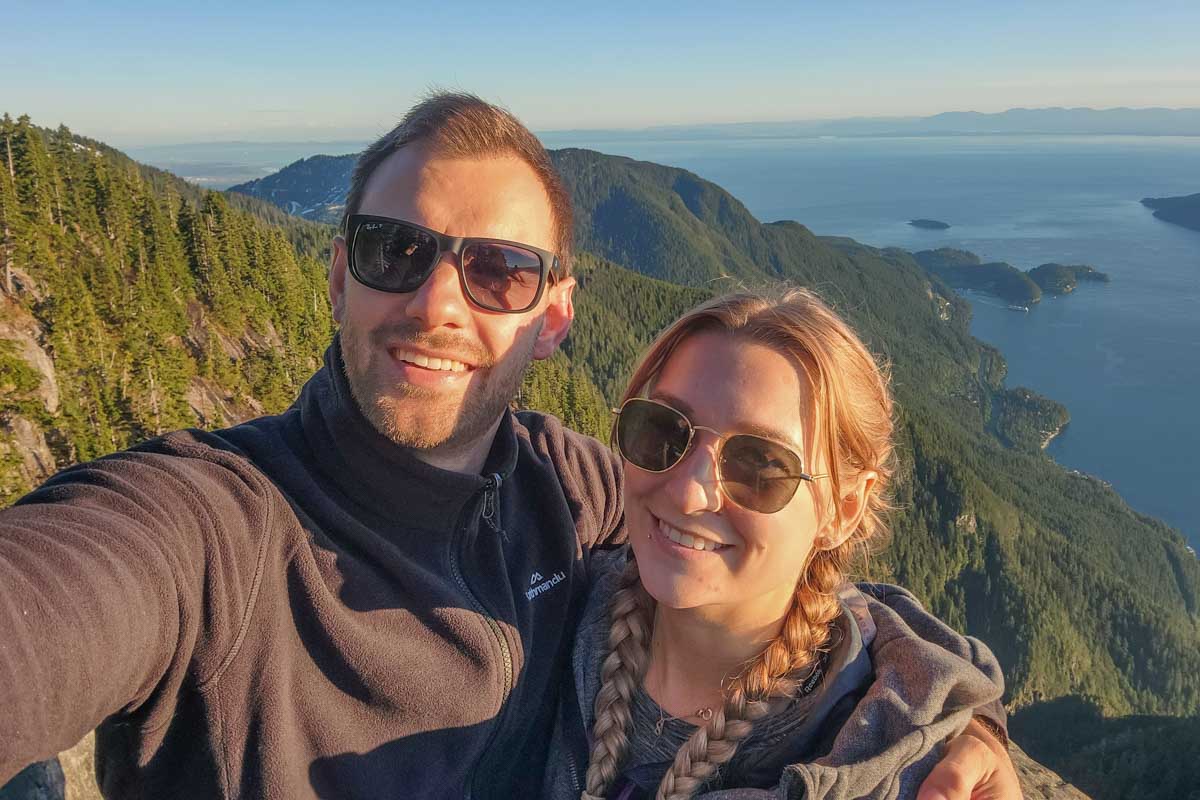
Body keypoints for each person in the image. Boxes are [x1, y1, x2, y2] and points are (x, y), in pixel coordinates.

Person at [0, 93, 1015, 799]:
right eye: (393, 249)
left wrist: (952, 717)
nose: (437, 302)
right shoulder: (206, 526)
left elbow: (767, 556)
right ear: (339, 277)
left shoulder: (564, 482)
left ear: (554, 314)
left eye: (498, 270)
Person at [544, 288, 1016, 800]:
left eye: (761, 465)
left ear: (845, 509)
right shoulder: (550, 607)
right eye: (661, 430)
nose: (686, 492)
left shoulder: (885, 769)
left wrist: (971, 722)